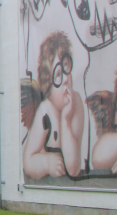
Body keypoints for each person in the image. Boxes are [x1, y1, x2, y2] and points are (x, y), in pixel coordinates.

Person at [22, 31, 85, 178]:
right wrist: (46, 163)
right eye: (57, 75)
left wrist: (65, 120)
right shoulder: (45, 111)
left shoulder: (76, 103)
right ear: (48, 88)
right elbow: (28, 161)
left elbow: (73, 169)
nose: (65, 80)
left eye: (66, 67)